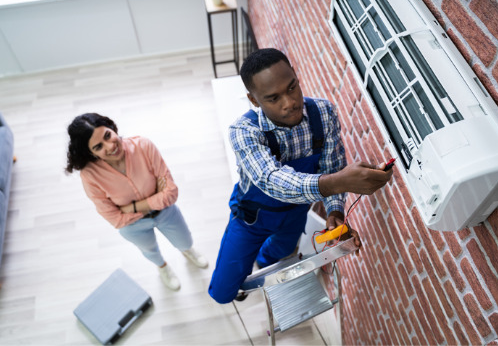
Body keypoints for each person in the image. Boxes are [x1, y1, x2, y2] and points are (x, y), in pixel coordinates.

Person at [208, 48, 393, 304]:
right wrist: (340, 180)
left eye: (292, 87)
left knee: (278, 253)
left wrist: (335, 214)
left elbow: (331, 166)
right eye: (273, 98)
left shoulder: (323, 113)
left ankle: (263, 260)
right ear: (253, 100)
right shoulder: (244, 132)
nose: (290, 102)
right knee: (222, 293)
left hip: (296, 214)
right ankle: (238, 280)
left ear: (296, 75)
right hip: (252, 219)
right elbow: (273, 181)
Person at [65, 113, 208, 291]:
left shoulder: (143, 146)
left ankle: (187, 251)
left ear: (112, 127)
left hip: (166, 212)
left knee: (185, 240)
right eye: (98, 146)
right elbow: (116, 219)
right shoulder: (90, 176)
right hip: (133, 226)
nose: (110, 146)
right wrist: (156, 197)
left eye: (108, 135)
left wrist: (130, 208)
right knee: (150, 251)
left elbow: (171, 193)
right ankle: (162, 267)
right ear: (90, 152)